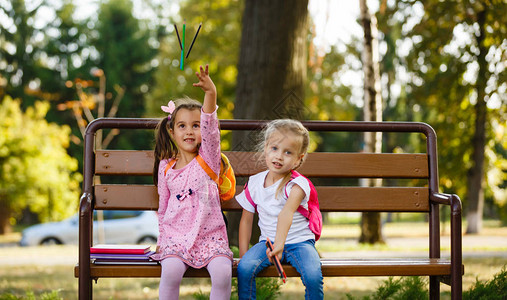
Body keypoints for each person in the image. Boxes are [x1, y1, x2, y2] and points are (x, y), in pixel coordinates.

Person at [151, 65, 233, 300]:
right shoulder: (165, 167)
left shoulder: (208, 159)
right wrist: (161, 240)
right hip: (176, 239)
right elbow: (163, 207)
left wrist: (211, 94)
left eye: (195, 125)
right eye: (182, 126)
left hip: (212, 238)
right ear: (172, 131)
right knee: (171, 273)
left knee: (223, 274)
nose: (190, 131)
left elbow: (211, 130)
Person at [236, 119, 324, 300]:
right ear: (266, 147)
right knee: (244, 269)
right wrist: (245, 256)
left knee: (313, 276)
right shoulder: (254, 183)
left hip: (300, 243)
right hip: (266, 243)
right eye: (274, 148)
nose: (279, 156)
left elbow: (286, 213)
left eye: (288, 152)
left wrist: (280, 245)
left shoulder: (297, 185)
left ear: (299, 158)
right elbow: (246, 220)